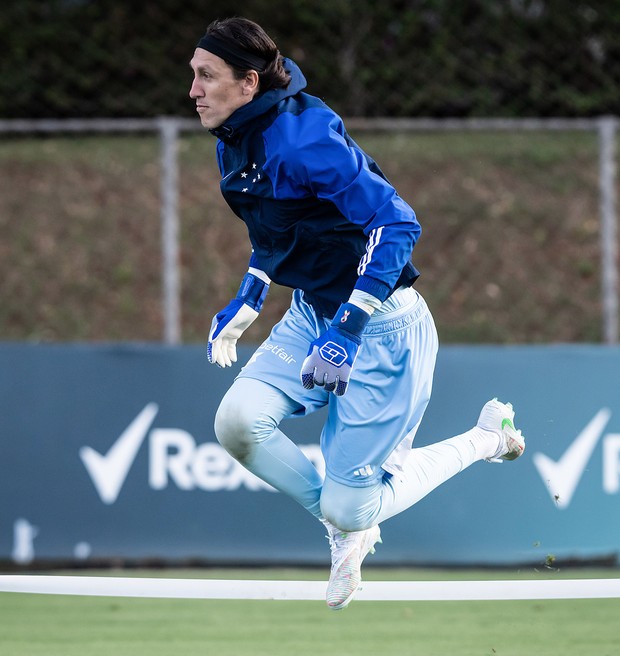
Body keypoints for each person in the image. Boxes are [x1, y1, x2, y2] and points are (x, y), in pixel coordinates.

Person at [190, 17, 525, 610]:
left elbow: (397, 224)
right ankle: (348, 525)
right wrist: (251, 293)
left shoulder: (304, 140)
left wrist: (347, 330)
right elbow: (278, 232)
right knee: (237, 424)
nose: (192, 89)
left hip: (381, 328)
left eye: (206, 76)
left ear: (247, 83)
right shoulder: (235, 137)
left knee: (351, 506)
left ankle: (485, 439)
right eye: (193, 75)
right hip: (311, 317)